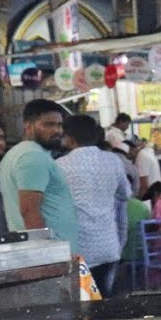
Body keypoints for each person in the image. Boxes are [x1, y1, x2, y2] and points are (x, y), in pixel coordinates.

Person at [57, 115, 130, 296]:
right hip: (108, 245)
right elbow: (125, 195)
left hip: (77, 249)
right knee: (104, 300)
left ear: (69, 138)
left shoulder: (58, 166)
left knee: (80, 306)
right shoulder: (113, 161)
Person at [0, 99, 77, 250]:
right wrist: (46, 252)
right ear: (28, 126)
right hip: (50, 252)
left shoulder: (18, 153)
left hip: (43, 251)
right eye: (48, 124)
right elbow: (29, 210)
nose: (57, 131)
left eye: (59, 125)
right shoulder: (32, 156)